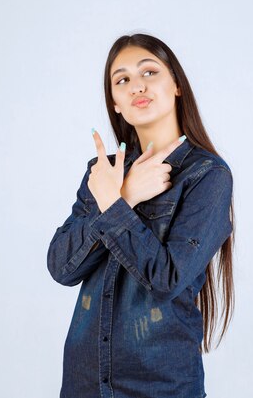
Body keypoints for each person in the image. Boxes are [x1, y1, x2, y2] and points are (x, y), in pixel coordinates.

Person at [47, 32, 236, 398]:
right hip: (84, 383)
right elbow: (61, 267)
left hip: (161, 386)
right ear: (115, 103)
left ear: (177, 85)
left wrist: (115, 207)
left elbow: (165, 279)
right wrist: (125, 194)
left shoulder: (207, 176)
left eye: (149, 72)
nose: (137, 86)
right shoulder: (102, 173)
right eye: (123, 80)